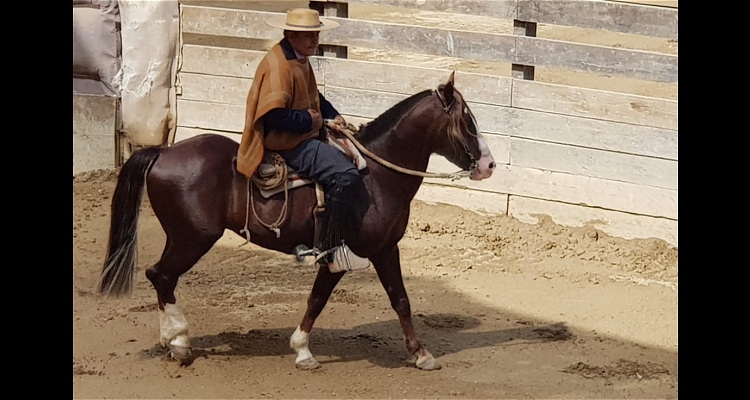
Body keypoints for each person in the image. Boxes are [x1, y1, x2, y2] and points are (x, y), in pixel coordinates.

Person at [236, 8, 370, 271]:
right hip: (289, 143)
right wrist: (312, 122)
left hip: (303, 133)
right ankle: (331, 250)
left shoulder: (297, 57)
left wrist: (333, 114)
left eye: (316, 35)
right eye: (308, 35)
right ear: (290, 34)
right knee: (346, 174)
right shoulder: (279, 67)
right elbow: (274, 115)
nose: (314, 41)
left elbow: (313, 96)